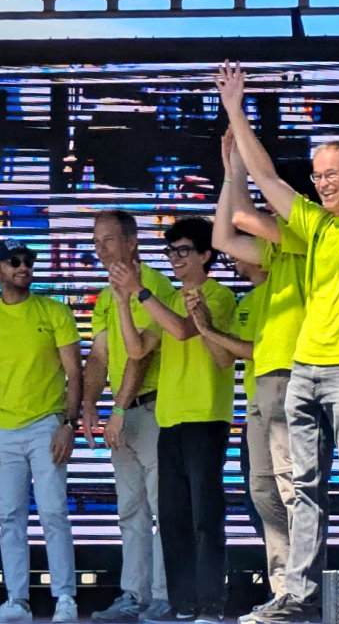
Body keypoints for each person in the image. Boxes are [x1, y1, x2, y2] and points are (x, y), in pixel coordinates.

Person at [215, 49, 339, 623]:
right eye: (317, 177)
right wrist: (235, 109)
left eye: (330, 174)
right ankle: (298, 596)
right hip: (304, 369)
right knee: (304, 487)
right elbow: (267, 178)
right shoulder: (313, 226)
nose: (321, 185)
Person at [111, 217, 236, 622]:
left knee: (205, 516)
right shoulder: (168, 297)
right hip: (169, 419)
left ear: (205, 255)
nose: (175, 258)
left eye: (183, 251)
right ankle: (182, 604)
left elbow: (183, 331)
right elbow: (137, 349)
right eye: (170, 251)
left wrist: (140, 291)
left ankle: (211, 603)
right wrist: (122, 302)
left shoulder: (218, 295)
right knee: (173, 518)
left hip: (206, 416)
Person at [211, 130, 308, 621]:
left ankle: (304, 593)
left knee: (293, 490)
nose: (269, 208)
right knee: (264, 491)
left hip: (293, 378)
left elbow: (244, 219)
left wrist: (239, 161)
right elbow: (223, 238)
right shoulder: (273, 258)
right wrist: (232, 172)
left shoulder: (306, 238)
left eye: (275, 200)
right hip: (261, 385)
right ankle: (284, 591)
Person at [0, 239, 83, 624]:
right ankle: (17, 601)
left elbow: (75, 372)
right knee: (9, 515)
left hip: (47, 424)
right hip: (3, 429)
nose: (23, 267)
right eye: (13, 261)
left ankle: (65, 599)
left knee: (53, 511)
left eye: (28, 261)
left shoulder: (54, 311)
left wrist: (68, 425)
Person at [86, 211, 174, 623]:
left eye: (107, 240)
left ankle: (163, 596)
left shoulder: (151, 284)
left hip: (152, 410)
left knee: (160, 507)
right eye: (96, 241)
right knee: (130, 511)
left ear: (132, 241)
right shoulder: (106, 293)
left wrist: (118, 409)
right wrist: (88, 405)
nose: (100, 249)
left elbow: (141, 354)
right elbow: (99, 353)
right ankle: (133, 595)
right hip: (123, 416)